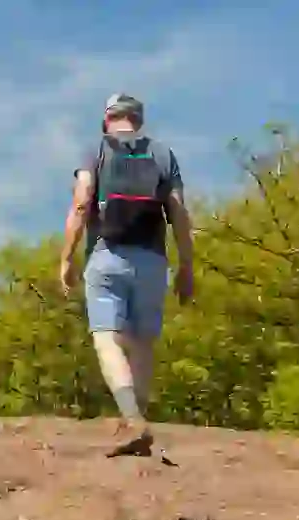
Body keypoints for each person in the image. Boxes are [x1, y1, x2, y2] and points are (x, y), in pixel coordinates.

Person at [58, 93, 195, 457]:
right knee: (142, 343)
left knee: (107, 339)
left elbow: (82, 201)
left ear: (107, 120)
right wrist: (187, 266)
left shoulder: (96, 151)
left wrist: (66, 258)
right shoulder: (163, 154)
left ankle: (132, 419)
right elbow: (179, 213)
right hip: (152, 259)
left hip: (106, 255)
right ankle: (137, 417)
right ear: (139, 120)